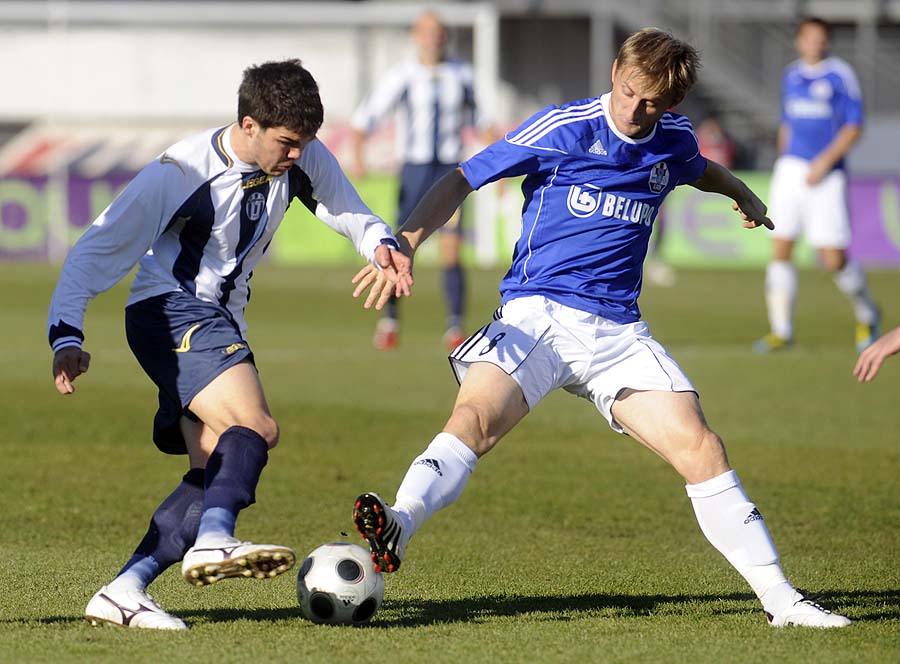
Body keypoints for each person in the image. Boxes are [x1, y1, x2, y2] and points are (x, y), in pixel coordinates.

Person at [350, 28, 851, 628]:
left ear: (673, 104)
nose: (634, 110)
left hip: (617, 335)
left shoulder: (673, 139)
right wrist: (406, 242)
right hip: (537, 315)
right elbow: (463, 177)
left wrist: (743, 194)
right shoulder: (563, 128)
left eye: (652, 103)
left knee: (702, 446)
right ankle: (400, 522)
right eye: (629, 91)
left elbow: (701, 170)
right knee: (474, 419)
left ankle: (783, 602)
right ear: (615, 71)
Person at [48, 60, 410, 630]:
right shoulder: (180, 171)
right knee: (256, 426)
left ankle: (124, 590)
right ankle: (217, 538)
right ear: (248, 124)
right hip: (171, 311)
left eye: (305, 143)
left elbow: (348, 209)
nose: (297, 154)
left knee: (213, 468)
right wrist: (66, 332)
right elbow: (97, 247)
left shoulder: (301, 154)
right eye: (287, 143)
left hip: (218, 322)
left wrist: (380, 245)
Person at [350, 9, 492, 351]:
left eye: (438, 32)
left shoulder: (461, 74)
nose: (433, 38)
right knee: (399, 244)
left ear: (445, 37)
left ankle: (455, 325)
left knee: (452, 249)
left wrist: (496, 166)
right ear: (416, 36)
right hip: (413, 170)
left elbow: (483, 121)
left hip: (450, 171)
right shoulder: (403, 74)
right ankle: (390, 320)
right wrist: (358, 155)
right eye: (427, 32)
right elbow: (366, 117)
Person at [755, 16, 880, 353]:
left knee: (833, 257)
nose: (816, 43)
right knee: (781, 245)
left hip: (826, 173)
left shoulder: (840, 75)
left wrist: (825, 161)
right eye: (810, 37)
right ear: (799, 41)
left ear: (827, 41)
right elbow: (787, 123)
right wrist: (784, 159)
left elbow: (854, 126)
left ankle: (868, 313)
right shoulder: (791, 74)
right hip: (791, 170)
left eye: (821, 38)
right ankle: (781, 331)